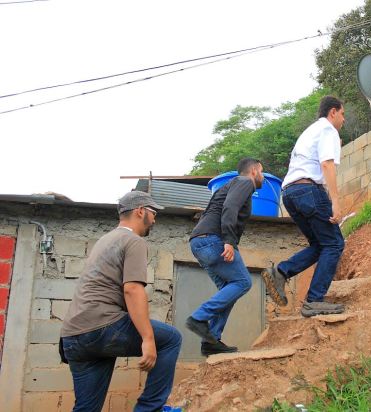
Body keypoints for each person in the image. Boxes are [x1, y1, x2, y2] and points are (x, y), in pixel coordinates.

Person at [60, 191, 182, 412]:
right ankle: (150, 409)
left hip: (73, 336)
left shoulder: (105, 240)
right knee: (171, 339)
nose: (155, 219)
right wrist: (147, 338)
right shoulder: (133, 241)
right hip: (101, 328)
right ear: (140, 211)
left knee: (86, 408)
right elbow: (132, 290)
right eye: (153, 213)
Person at [261, 95, 346, 317]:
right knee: (335, 244)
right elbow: (326, 164)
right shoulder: (328, 130)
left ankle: (281, 271)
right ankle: (314, 300)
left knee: (321, 244)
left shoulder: (310, 131)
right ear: (333, 112)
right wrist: (335, 202)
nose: (343, 120)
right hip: (308, 191)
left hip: (289, 193)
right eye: (343, 114)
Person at [185, 158, 264, 355]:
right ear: (254, 171)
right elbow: (230, 207)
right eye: (262, 171)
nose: (262, 176)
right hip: (214, 240)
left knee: (228, 289)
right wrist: (229, 240)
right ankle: (199, 318)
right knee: (243, 282)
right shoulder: (245, 182)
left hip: (200, 242)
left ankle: (212, 340)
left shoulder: (231, 185)